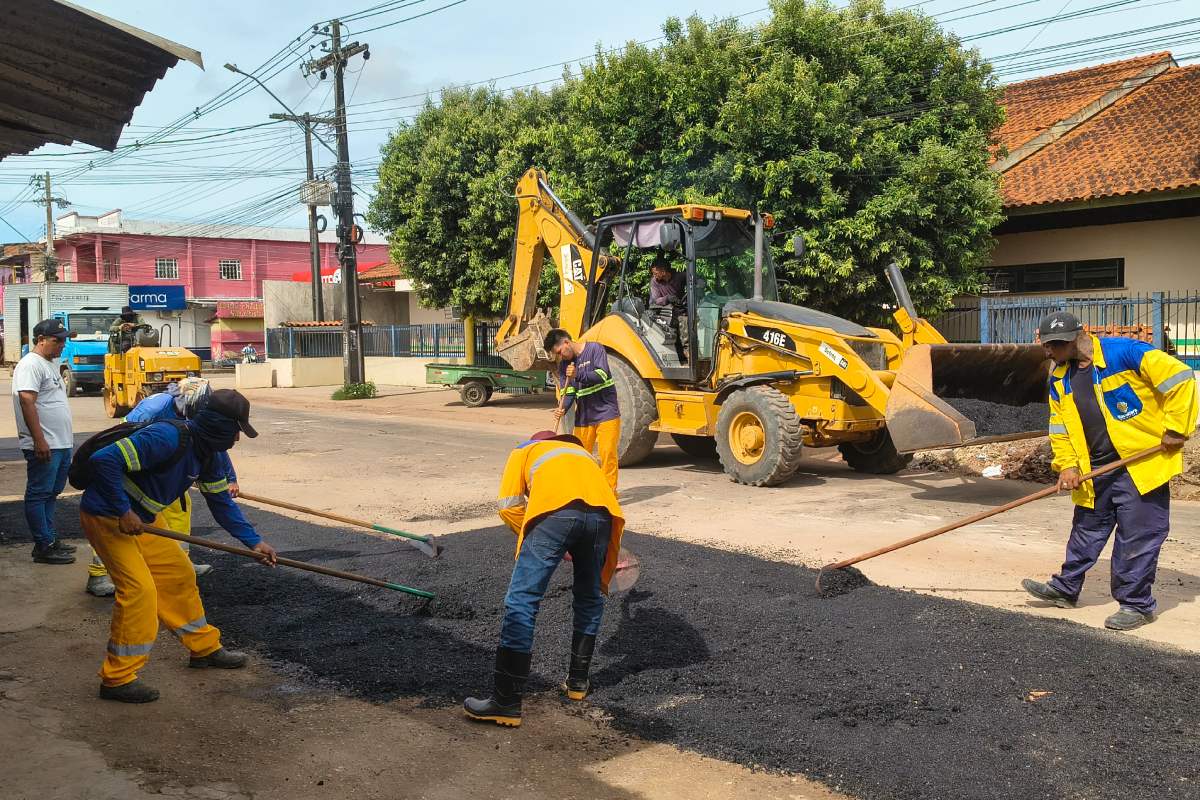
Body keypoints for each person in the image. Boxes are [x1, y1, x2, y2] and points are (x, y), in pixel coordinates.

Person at [80, 389, 278, 703]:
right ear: (218, 425)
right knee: (139, 592)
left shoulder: (208, 454)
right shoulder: (166, 437)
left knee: (179, 575)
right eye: (236, 431)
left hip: (144, 519)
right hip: (107, 515)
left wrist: (254, 542)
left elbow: (221, 504)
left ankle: (204, 649)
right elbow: (103, 460)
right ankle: (117, 679)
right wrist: (123, 511)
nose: (237, 439)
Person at [1022, 311, 1198, 631]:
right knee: (1086, 529)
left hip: (1138, 464)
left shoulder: (1126, 354)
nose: (1049, 352)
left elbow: (1182, 379)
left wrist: (1176, 428)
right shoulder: (1060, 377)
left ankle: (1136, 605)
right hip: (1095, 467)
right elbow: (1059, 428)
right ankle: (1065, 588)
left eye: (1055, 345)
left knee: (1138, 536)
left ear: (1079, 336)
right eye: (1046, 345)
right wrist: (1068, 465)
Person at [464, 430, 624, 727]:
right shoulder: (586, 456)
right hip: (602, 517)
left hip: (554, 514)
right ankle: (577, 684)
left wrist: (536, 535)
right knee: (589, 598)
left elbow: (509, 505)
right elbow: (600, 502)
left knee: (522, 600)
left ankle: (506, 702)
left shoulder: (525, 450)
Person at [84, 378, 236, 596]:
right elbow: (121, 441)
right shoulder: (155, 409)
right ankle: (98, 574)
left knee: (182, 509)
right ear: (189, 404)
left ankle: (179, 563)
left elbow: (214, 447)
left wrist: (230, 477)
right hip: (138, 470)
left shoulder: (191, 413)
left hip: (167, 466)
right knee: (112, 526)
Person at [12, 318, 79, 565]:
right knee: (39, 494)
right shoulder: (30, 365)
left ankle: (50, 539)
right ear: (40, 340)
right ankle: (43, 545)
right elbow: (27, 401)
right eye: (57, 340)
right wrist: (39, 441)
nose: (63, 344)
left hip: (60, 443)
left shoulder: (50, 363)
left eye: (63, 339)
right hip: (45, 444)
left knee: (51, 493)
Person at [545, 329, 621, 491]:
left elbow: (602, 375)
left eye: (559, 352)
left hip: (606, 413)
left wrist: (577, 374)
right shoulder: (565, 365)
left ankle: (609, 497)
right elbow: (570, 392)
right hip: (584, 417)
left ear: (566, 342)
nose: (560, 357)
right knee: (578, 456)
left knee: (608, 456)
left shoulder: (595, 349)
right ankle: (583, 493)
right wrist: (563, 408)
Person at [648, 255, 688, 360]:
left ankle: (688, 354)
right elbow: (656, 300)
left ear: (663, 271)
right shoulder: (654, 282)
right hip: (664, 312)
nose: (654, 275)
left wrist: (700, 282)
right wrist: (668, 298)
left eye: (656, 273)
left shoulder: (679, 277)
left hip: (681, 310)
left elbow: (693, 277)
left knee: (686, 323)